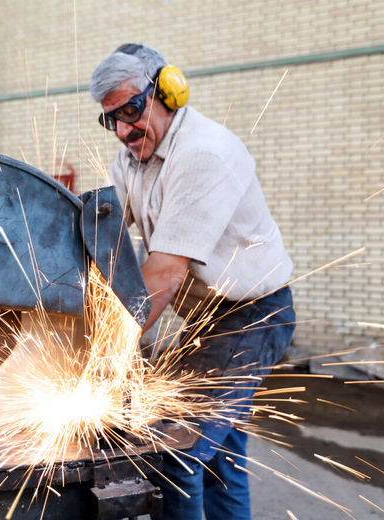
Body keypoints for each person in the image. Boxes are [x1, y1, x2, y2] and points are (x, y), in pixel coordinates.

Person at [91, 43, 296, 520]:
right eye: (111, 119)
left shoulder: (204, 153)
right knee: (222, 457)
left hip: (254, 317)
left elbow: (164, 271)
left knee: (175, 451)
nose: (123, 130)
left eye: (132, 110)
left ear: (167, 91)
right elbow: (109, 246)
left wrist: (103, 352)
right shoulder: (131, 160)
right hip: (207, 321)